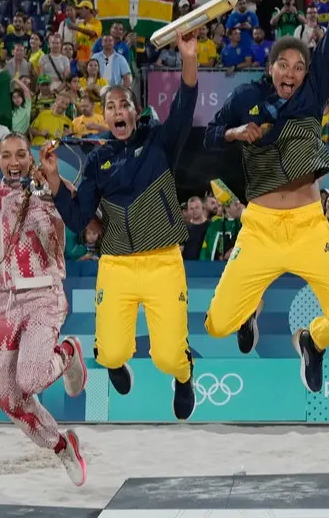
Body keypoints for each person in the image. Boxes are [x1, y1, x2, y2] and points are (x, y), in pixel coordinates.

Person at [203, 0, 329, 393]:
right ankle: (248, 310)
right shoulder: (244, 96)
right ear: (270, 67)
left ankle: (311, 340)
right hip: (258, 228)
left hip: (309, 228)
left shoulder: (312, 95)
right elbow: (210, 137)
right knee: (218, 325)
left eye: (299, 67)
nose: (292, 72)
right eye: (284, 66)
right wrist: (236, 132)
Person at [40, 30, 199, 420]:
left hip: (163, 262)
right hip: (116, 265)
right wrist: (56, 182)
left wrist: (189, 59)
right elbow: (78, 220)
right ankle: (116, 364)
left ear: (135, 110)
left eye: (124, 104)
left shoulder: (160, 142)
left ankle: (184, 376)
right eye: (110, 107)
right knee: (109, 351)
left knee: (168, 357)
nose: (117, 112)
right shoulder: (96, 162)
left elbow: (185, 103)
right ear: (105, 117)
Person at [0, 132, 89, 486]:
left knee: (30, 378)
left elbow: (84, 220)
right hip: (3, 303)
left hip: (44, 295)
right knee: (9, 398)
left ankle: (69, 352)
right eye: (7, 156)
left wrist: (56, 182)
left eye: (21, 155)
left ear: (32, 157)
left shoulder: (51, 189)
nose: (14, 162)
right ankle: (61, 445)